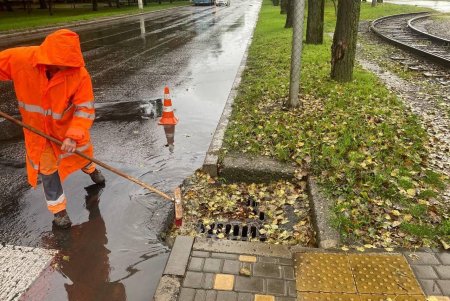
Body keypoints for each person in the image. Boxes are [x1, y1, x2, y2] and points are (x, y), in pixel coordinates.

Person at [0, 29, 105, 229]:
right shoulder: (21, 59)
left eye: (68, 65)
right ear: (48, 56)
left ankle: (91, 169)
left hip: (66, 128)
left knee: (81, 154)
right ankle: (59, 212)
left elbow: (85, 107)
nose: (63, 70)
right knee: (47, 170)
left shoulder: (79, 74)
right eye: (60, 65)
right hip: (37, 132)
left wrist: (73, 136)